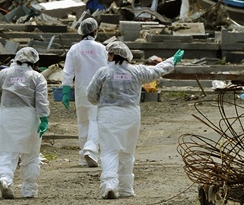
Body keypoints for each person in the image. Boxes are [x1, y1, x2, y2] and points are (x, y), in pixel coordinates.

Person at [87, 41, 184, 199]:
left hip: (109, 114)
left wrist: (101, 100)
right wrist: (172, 60)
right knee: (127, 152)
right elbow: (157, 70)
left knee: (110, 151)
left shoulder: (103, 72)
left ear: (112, 54)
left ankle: (110, 185)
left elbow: (91, 95)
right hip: (131, 115)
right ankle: (126, 188)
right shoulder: (137, 71)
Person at [0, 47, 50, 199]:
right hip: (29, 118)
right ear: (34, 62)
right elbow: (41, 101)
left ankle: (5, 179)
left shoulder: (4, 74)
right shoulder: (37, 77)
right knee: (31, 155)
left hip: (7, 116)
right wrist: (44, 118)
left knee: (6, 152)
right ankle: (29, 190)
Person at [60, 17, 107, 167]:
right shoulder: (101, 48)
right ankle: (90, 149)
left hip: (81, 89)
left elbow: (68, 72)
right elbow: (108, 69)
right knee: (96, 121)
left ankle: (83, 158)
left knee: (83, 123)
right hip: (99, 89)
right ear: (95, 31)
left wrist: (65, 91)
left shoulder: (75, 49)